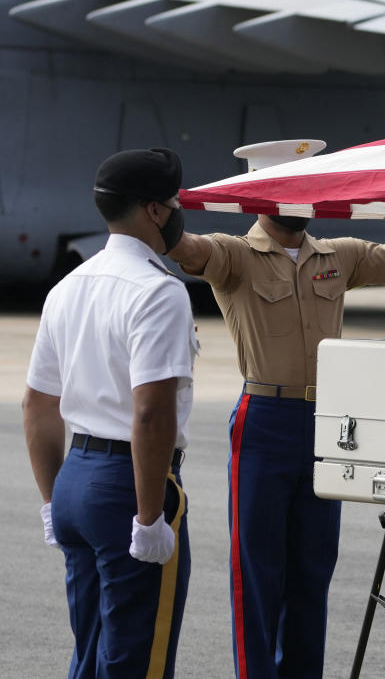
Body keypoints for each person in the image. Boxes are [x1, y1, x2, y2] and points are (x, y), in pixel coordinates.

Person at [167, 139, 385, 679]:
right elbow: (185, 249)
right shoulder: (234, 256)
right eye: (289, 188)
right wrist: (159, 205)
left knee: (312, 570)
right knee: (256, 572)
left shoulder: (339, 256)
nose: (303, 199)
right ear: (263, 194)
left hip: (325, 426)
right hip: (264, 421)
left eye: (307, 186)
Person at [23, 147, 197, 678]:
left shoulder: (67, 287)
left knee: (91, 648)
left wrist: (55, 500)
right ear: (155, 211)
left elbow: (37, 403)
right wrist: (149, 518)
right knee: (134, 658)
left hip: (75, 476)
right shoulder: (158, 291)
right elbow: (150, 414)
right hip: (129, 485)